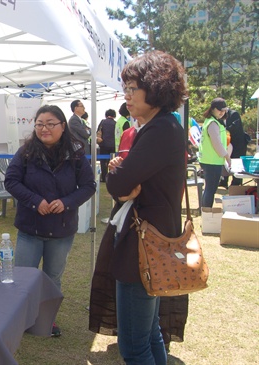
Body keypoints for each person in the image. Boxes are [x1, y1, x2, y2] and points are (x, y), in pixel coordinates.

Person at [89, 50, 188, 364]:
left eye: (133, 88)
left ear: (156, 88)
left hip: (144, 247)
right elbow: (123, 187)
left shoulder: (160, 130)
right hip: (150, 243)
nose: (127, 96)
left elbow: (117, 186)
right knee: (148, 335)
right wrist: (124, 177)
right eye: (126, 88)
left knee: (134, 346)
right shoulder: (162, 126)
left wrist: (118, 173)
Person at [5, 105, 96, 337]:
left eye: (50, 123)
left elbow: (88, 186)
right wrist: (36, 201)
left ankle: (46, 321)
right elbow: (12, 181)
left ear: (63, 126)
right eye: (39, 124)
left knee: (52, 277)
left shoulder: (75, 154)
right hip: (30, 227)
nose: (44, 128)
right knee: (25, 275)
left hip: (61, 229)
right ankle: (22, 319)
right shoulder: (26, 152)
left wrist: (66, 202)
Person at [198, 98, 231, 207]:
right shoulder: (213, 123)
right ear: (212, 109)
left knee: (209, 189)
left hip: (209, 160)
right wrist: (227, 156)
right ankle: (207, 214)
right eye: (220, 110)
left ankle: (206, 213)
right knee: (210, 190)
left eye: (224, 110)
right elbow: (217, 144)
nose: (222, 113)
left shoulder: (212, 121)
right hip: (212, 161)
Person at [222, 108, 246, 186]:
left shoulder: (234, 114)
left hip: (238, 144)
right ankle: (224, 180)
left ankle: (236, 182)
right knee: (226, 161)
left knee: (237, 162)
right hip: (228, 143)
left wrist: (223, 130)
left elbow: (234, 126)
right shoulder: (219, 116)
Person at [97, 109, 117, 182]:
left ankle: (104, 177)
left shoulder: (103, 122)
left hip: (103, 144)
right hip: (113, 145)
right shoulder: (116, 123)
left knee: (103, 161)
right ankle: (111, 176)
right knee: (112, 161)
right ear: (114, 115)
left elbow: (98, 131)